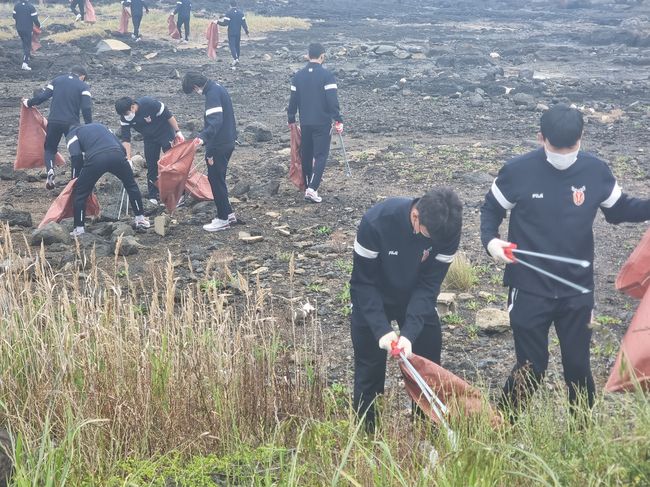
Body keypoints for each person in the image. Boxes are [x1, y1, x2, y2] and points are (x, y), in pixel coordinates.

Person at [480, 104, 650, 419]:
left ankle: (581, 431)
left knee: (578, 365)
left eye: (570, 147)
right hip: (529, 287)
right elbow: (491, 208)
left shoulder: (595, 171)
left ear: (582, 137)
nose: (564, 154)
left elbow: (619, 209)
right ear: (540, 137)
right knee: (531, 365)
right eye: (557, 147)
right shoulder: (518, 171)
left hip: (576, 289)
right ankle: (500, 426)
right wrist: (491, 241)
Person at [350, 188, 463, 431]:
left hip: (414, 294)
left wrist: (409, 333)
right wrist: (381, 330)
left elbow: (429, 285)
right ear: (415, 216)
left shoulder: (448, 229)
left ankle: (426, 432)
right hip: (374, 293)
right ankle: (368, 436)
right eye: (428, 238)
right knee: (369, 370)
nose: (432, 245)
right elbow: (362, 283)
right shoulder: (377, 222)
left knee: (427, 364)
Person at [66, 123, 150, 237]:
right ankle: (140, 219)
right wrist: (124, 161)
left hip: (96, 159)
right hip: (117, 155)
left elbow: (76, 156)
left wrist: (75, 179)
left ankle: (79, 229)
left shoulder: (72, 134)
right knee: (131, 185)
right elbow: (120, 146)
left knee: (80, 193)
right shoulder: (102, 126)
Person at [287, 42, 343, 203]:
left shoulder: (298, 76)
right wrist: (338, 119)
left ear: (308, 55)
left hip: (305, 122)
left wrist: (291, 118)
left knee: (306, 154)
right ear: (322, 56)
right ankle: (312, 188)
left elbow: (293, 100)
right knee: (321, 155)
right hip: (322, 122)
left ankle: (307, 185)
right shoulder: (327, 76)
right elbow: (332, 100)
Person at [181, 72, 237, 232]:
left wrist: (202, 140)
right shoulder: (218, 88)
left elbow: (215, 122)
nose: (196, 94)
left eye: (193, 91)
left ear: (195, 87)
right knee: (220, 179)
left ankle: (222, 219)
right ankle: (229, 213)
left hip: (219, 145)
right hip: (228, 140)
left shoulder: (212, 94)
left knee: (215, 181)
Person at [24, 65, 92, 189]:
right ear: (82, 76)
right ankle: (74, 180)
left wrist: (28, 102)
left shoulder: (57, 80)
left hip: (54, 121)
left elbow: (42, 97)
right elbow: (86, 108)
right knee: (75, 152)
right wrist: (90, 126)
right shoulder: (83, 86)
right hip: (72, 124)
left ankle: (50, 169)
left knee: (50, 149)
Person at [115, 96, 184, 205]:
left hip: (165, 132)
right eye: (123, 115)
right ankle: (153, 196)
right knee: (151, 165)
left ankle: (179, 193)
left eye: (126, 113)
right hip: (149, 138)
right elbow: (126, 139)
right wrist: (128, 158)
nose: (125, 116)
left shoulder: (149, 104)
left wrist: (178, 131)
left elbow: (168, 115)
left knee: (172, 163)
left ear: (133, 107)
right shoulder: (125, 118)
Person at [217, 0, 249, 68]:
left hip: (231, 32)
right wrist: (247, 32)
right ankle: (238, 59)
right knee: (237, 46)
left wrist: (217, 22)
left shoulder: (228, 13)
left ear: (230, 5)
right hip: (238, 32)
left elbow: (225, 23)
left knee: (232, 46)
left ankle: (235, 59)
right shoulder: (241, 13)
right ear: (236, 5)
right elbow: (244, 24)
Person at [13, 0, 40, 71]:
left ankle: (27, 56)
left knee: (24, 43)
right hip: (27, 29)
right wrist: (38, 25)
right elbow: (35, 19)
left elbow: (14, 16)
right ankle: (25, 64)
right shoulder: (31, 7)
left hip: (19, 29)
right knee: (27, 45)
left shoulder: (16, 6)